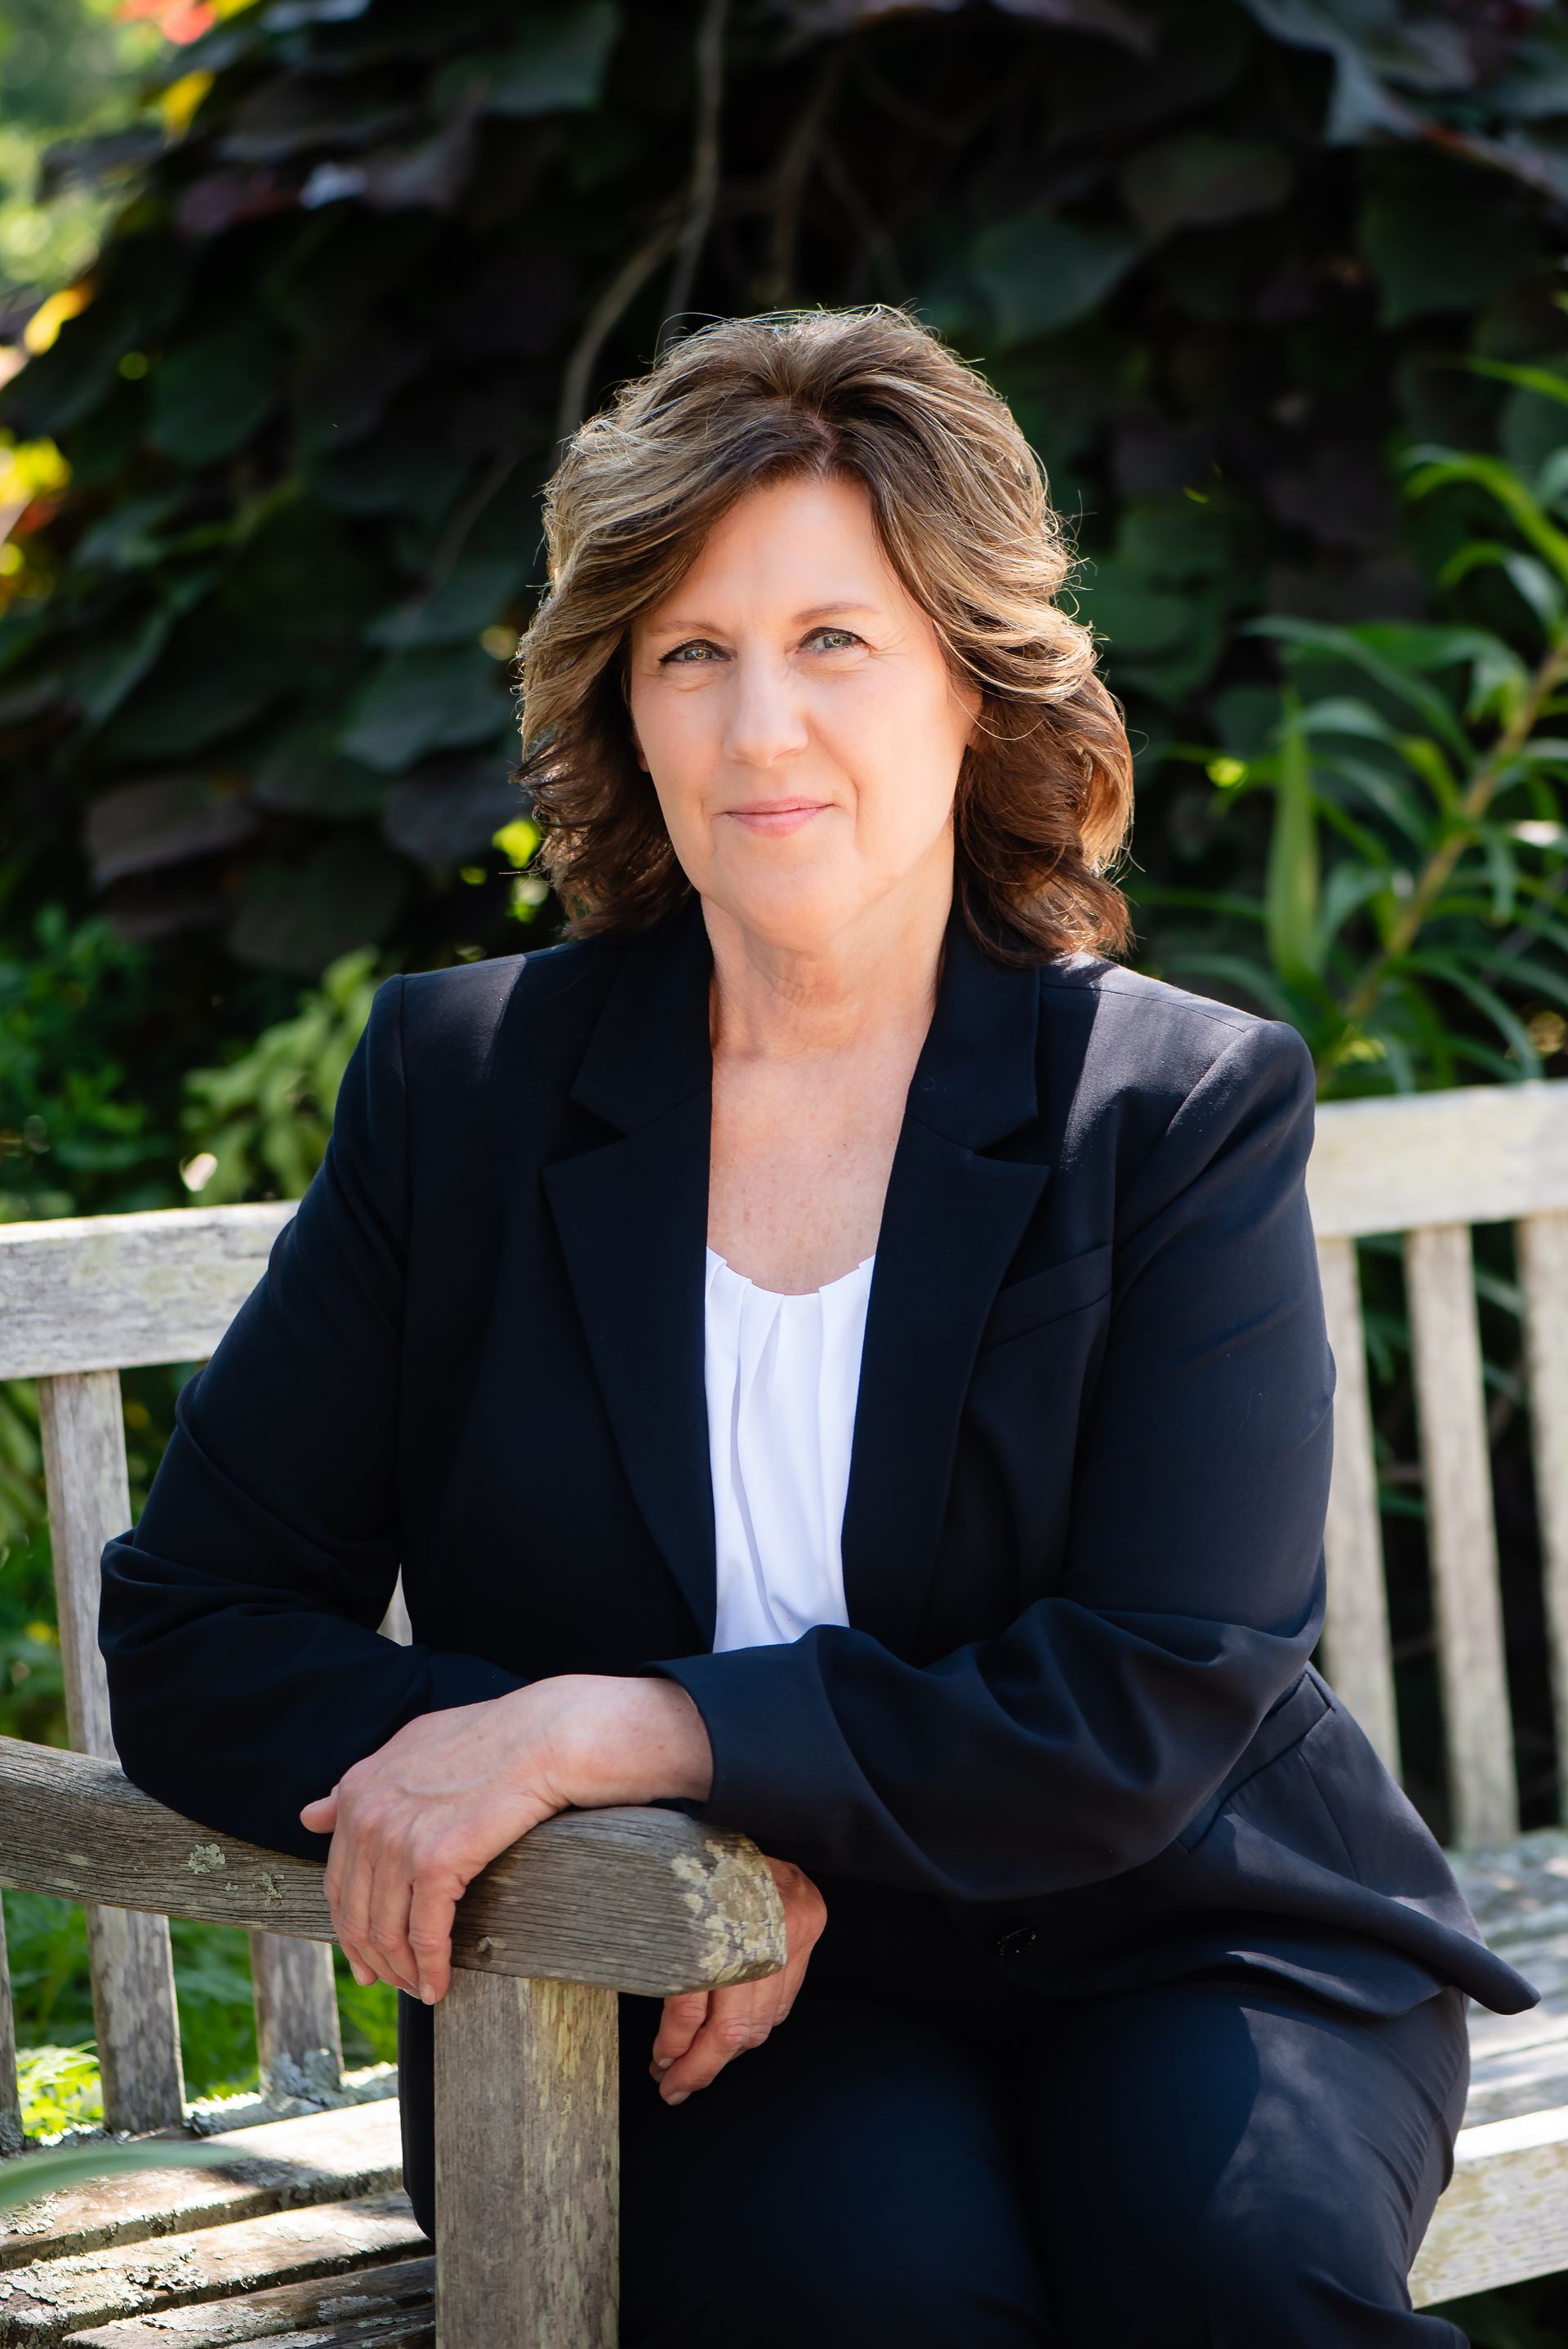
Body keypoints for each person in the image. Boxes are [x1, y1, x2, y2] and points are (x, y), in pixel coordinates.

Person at [100, 305, 1535, 2348]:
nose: (761, 725)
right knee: (872, 2297)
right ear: (626, 708)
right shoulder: (469, 1089)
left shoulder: (1170, 1109)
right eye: (694, 652)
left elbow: (1153, 1685)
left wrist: (631, 1722)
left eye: (834, 641)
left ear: (973, 681)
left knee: (1226, 2277)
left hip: (1188, 1936)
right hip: (684, 1976)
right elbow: (198, 1626)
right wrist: (641, 1840)